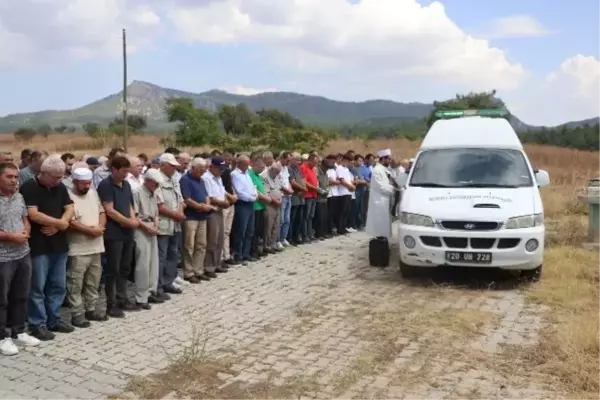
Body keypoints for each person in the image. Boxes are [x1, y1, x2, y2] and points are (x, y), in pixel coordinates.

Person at [21, 155, 75, 340]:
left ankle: (54, 319)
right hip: (39, 246)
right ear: (43, 173)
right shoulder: (29, 187)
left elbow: (70, 207)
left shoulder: (59, 187)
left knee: (58, 285)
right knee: (37, 287)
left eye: (61, 176)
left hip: (59, 245)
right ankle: (37, 324)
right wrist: (61, 224)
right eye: (55, 177)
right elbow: (33, 214)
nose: (59, 180)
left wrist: (62, 223)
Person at [0, 163, 40, 355]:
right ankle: (2, 337)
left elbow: (25, 218)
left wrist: (26, 231)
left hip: (23, 253)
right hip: (3, 257)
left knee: (21, 295)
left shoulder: (19, 196)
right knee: (2, 299)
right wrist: (9, 237)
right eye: (9, 177)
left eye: (16, 177)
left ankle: (18, 331)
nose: (14, 181)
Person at [97, 155, 139, 318]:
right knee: (113, 269)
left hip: (127, 232)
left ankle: (123, 298)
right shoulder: (106, 185)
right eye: (123, 171)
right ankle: (111, 303)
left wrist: (133, 218)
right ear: (114, 169)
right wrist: (127, 222)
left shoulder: (126, 184)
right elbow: (109, 210)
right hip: (113, 233)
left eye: (128, 171)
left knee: (125, 267)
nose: (126, 174)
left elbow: (129, 204)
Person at [156, 153, 186, 295]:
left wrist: (179, 212)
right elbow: (159, 205)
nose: (174, 169)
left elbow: (180, 199)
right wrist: (177, 215)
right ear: (162, 165)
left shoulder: (174, 179)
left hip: (175, 223)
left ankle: (169, 281)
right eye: (171, 166)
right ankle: (158, 285)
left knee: (173, 254)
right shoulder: (157, 180)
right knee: (161, 256)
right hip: (164, 223)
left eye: (175, 166)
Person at [180, 158, 214, 283]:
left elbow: (206, 195)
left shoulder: (201, 180)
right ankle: (188, 272)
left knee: (201, 244)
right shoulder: (185, 180)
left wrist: (207, 205)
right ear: (193, 168)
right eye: (200, 171)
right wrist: (201, 207)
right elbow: (187, 199)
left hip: (202, 216)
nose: (202, 173)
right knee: (189, 245)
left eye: (203, 171)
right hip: (191, 216)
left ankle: (198, 269)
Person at [132, 169, 162, 308]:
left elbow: (156, 212)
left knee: (153, 261)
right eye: (154, 184)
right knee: (143, 263)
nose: (156, 186)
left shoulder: (154, 193)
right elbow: (135, 216)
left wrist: (155, 224)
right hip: (141, 228)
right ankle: (141, 296)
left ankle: (151, 291)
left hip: (152, 227)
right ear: (147, 181)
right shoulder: (137, 193)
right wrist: (147, 226)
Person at [202, 157, 230, 273]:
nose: (222, 171)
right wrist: (224, 203)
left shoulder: (218, 178)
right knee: (212, 240)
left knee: (219, 239)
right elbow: (210, 197)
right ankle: (209, 266)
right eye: (220, 168)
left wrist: (226, 201)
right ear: (212, 167)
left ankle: (217, 263)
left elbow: (222, 192)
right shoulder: (206, 178)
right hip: (212, 211)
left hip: (220, 209)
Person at [231, 155, 258, 263]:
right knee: (241, 230)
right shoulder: (235, 175)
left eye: (248, 164)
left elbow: (253, 187)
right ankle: (238, 254)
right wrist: (251, 197)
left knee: (250, 230)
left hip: (251, 204)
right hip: (242, 204)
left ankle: (246, 253)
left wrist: (255, 195)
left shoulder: (247, 174)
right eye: (245, 164)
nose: (247, 166)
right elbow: (239, 191)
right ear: (239, 164)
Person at [365, 149, 395, 240]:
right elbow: (381, 187)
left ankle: (383, 239)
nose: (390, 161)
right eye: (388, 159)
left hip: (385, 200)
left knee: (384, 222)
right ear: (383, 159)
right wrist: (394, 189)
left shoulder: (385, 170)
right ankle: (379, 239)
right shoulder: (377, 170)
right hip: (379, 200)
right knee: (379, 223)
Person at [260, 161, 283, 253]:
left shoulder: (277, 176)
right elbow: (266, 192)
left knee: (276, 225)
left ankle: (273, 244)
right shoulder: (264, 176)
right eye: (276, 171)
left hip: (278, 204)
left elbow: (279, 188)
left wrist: (280, 199)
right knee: (268, 226)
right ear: (272, 169)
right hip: (269, 204)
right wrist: (275, 200)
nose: (277, 174)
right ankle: (266, 245)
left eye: (279, 172)